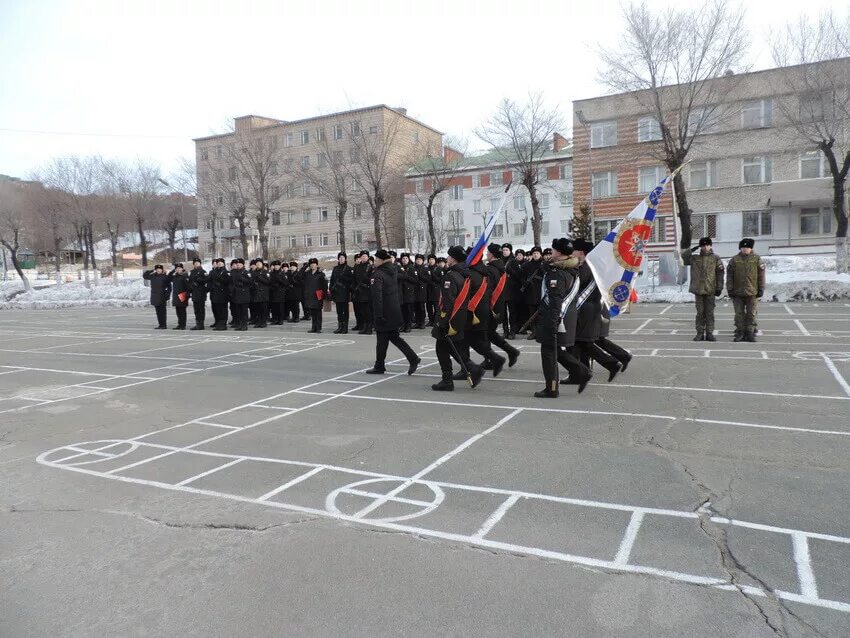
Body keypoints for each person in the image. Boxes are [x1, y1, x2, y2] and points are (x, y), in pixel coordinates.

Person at [535, 238, 592, 398]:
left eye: (553, 250)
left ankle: (552, 388)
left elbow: (556, 301)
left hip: (556, 318)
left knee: (548, 351)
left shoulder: (557, 274)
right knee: (555, 351)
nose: (550, 252)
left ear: (558, 252)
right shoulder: (571, 269)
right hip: (565, 317)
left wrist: (552, 322)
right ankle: (582, 371)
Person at [431, 246, 484, 391]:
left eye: (448, 257)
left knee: (441, 348)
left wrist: (442, 321)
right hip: (460, 316)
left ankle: (447, 380)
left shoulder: (451, 276)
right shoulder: (465, 274)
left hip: (451, 317)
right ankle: (473, 368)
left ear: (453, 259)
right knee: (452, 347)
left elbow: (448, 301)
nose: (447, 259)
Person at [571, 240, 622, 382]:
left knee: (581, 342)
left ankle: (610, 364)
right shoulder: (593, 265)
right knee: (582, 342)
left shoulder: (586, 267)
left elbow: (576, 284)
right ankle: (584, 371)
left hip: (585, 308)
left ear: (581, 252)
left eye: (574, 250)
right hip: (589, 308)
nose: (572, 253)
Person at [365, 249, 421, 375]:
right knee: (393, 338)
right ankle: (412, 358)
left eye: (376, 259)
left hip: (384, 312)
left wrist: (378, 314)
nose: (374, 262)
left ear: (381, 260)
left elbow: (377, 296)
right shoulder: (392, 270)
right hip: (394, 310)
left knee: (382, 341)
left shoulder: (378, 274)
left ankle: (380, 366)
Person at [483, 243, 519, 369]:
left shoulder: (491, 269)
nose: (486, 254)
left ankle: (491, 359)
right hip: (498, 306)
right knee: (490, 334)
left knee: (485, 333)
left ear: (492, 255)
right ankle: (511, 352)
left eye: (488, 252)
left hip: (491, 307)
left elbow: (488, 290)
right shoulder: (499, 267)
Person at [682, 237, 724, 341]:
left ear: (710, 246)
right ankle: (700, 333)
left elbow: (720, 273)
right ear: (701, 246)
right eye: (703, 245)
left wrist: (719, 287)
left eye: (707, 245)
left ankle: (709, 333)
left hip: (710, 289)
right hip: (698, 289)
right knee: (700, 313)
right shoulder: (695, 258)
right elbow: (683, 257)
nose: (706, 247)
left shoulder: (715, 258)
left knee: (709, 313)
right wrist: (691, 250)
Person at [727, 237, 765, 342]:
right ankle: (740, 332)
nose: (745, 249)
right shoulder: (734, 260)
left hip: (752, 291)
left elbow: (761, 275)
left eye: (747, 247)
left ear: (751, 248)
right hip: (737, 292)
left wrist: (761, 288)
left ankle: (750, 332)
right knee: (739, 314)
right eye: (743, 247)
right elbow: (729, 276)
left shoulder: (756, 259)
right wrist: (730, 289)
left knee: (751, 313)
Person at [520, 246, 544, 335]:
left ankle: (540, 332)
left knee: (541, 315)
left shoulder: (543, 265)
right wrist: (525, 282)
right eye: (534, 253)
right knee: (532, 313)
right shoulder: (527, 265)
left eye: (537, 253)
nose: (535, 255)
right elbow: (522, 276)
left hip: (541, 292)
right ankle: (534, 332)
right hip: (530, 293)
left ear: (540, 254)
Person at [330, 252, 354, 334]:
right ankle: (340, 327)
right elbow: (332, 280)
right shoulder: (335, 268)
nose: (341, 259)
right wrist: (331, 290)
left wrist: (343, 277)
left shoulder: (349, 268)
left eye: (343, 258)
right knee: (339, 311)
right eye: (340, 257)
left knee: (345, 311)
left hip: (345, 292)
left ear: (345, 259)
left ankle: (345, 327)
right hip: (337, 292)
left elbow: (351, 281)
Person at [302, 258, 327, 333]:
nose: (313, 265)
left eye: (314, 264)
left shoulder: (321, 274)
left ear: (317, 265)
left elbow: (325, 286)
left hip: (318, 294)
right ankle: (313, 327)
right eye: (311, 264)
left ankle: (318, 328)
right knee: (313, 312)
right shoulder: (307, 273)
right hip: (310, 295)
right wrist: (304, 267)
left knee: (318, 312)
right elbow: (298, 276)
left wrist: (324, 295)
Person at [142, 264, 171, 329]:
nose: (158, 270)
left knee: (162, 311)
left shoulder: (165, 277)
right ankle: (160, 324)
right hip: (155, 296)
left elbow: (169, 287)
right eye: (157, 269)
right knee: (158, 311)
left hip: (162, 296)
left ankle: (164, 325)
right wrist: (151, 270)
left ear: (162, 270)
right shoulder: (152, 276)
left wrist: (167, 295)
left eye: (160, 269)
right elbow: (145, 276)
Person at [504, 247, 524, 339]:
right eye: (503, 250)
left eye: (506, 250)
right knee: (503, 313)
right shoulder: (500, 261)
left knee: (512, 313)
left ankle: (512, 331)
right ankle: (505, 331)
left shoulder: (513, 262)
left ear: (510, 251)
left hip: (512, 291)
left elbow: (519, 276)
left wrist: (511, 272)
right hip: (502, 291)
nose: (504, 252)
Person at [208, 258, 230, 331]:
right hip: (215, 293)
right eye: (218, 263)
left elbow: (228, 282)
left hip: (223, 293)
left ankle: (223, 324)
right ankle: (219, 323)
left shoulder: (226, 272)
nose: (219, 264)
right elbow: (210, 281)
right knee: (218, 309)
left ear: (223, 263)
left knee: (223, 309)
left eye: (221, 262)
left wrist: (221, 281)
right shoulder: (214, 272)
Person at [353, 251, 373, 334]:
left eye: (365, 256)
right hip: (359, 291)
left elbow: (372, 279)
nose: (364, 257)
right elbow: (354, 279)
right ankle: (364, 327)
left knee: (368, 311)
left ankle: (369, 328)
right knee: (362, 311)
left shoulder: (370, 267)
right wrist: (354, 288)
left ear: (368, 257)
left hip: (367, 291)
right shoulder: (357, 267)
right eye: (362, 256)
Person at [229, 258, 251, 331]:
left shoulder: (246, 272)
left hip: (244, 294)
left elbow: (250, 282)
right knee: (238, 311)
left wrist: (242, 279)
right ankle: (240, 324)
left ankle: (244, 325)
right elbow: (232, 282)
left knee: (244, 311)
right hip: (236, 294)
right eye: (237, 264)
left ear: (243, 264)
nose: (238, 265)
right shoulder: (234, 272)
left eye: (239, 264)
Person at [167, 263, 190, 330]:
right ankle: (179, 324)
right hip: (176, 295)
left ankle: (183, 325)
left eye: (179, 268)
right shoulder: (175, 276)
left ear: (182, 269)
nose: (178, 269)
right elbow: (168, 278)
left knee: (182, 311)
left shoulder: (185, 276)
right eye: (177, 268)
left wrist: (188, 294)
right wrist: (172, 271)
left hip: (182, 295)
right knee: (178, 311)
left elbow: (188, 286)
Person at [188, 258, 208, 330]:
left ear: (200, 264)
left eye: (198, 263)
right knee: (196, 310)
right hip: (194, 293)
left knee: (201, 309)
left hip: (201, 293)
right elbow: (189, 282)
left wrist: (200, 281)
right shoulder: (191, 272)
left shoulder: (203, 272)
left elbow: (207, 281)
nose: (196, 264)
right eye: (195, 263)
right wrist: (191, 286)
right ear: (193, 264)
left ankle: (201, 324)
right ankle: (197, 323)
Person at [398, 253, 417, 332]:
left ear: (408, 259)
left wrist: (406, 277)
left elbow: (415, 280)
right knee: (402, 310)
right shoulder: (399, 268)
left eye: (406, 258)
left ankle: (408, 325)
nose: (404, 260)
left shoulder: (412, 268)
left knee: (409, 311)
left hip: (409, 293)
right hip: (401, 292)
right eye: (403, 258)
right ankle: (402, 325)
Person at [250, 259, 270, 328]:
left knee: (263, 308)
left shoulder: (265, 272)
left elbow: (268, 282)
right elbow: (251, 281)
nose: (258, 264)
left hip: (263, 293)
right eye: (257, 263)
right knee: (257, 309)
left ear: (262, 264)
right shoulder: (253, 272)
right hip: (256, 292)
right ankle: (258, 322)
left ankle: (263, 322)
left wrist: (260, 278)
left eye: (259, 263)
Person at [269, 261, 286, 325]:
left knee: (280, 308)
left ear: (279, 266)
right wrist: (272, 286)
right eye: (275, 266)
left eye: (277, 266)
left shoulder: (282, 273)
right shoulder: (271, 273)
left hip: (280, 293)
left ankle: (280, 319)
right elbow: (269, 282)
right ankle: (275, 319)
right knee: (274, 307)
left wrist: (280, 281)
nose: (276, 267)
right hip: (273, 292)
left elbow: (285, 283)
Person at [425, 254, 439, 326]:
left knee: (436, 307)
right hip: (428, 290)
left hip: (435, 291)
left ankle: (435, 321)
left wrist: (432, 274)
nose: (431, 261)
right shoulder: (426, 268)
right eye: (430, 259)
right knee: (429, 307)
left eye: (432, 259)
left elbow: (440, 280)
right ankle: (430, 320)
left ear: (435, 260)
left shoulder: (438, 268)